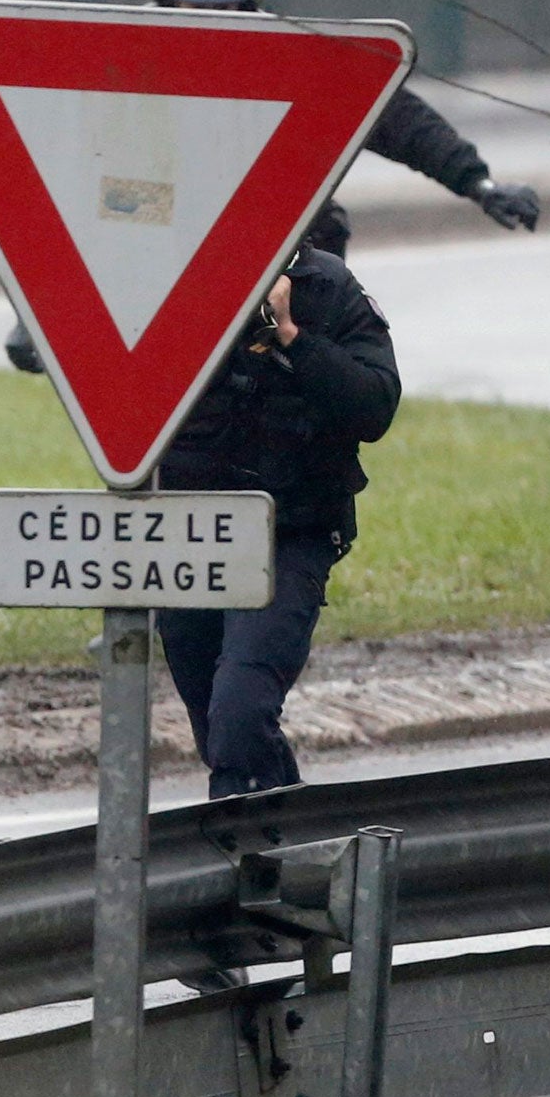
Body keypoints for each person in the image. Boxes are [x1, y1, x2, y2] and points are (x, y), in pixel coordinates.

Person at [4, 0, 538, 372]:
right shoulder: (118, 65)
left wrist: (478, 182)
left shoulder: (298, 63)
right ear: (158, 2)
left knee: (319, 228)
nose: (207, 27)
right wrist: (46, 310)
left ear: (253, 6)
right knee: (119, 202)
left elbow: (397, 118)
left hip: (276, 255)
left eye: (227, 12)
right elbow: (66, 179)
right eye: (186, 10)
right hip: (164, 232)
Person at [157, 249, 401, 797]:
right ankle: (291, 834)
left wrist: (291, 335)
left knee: (241, 713)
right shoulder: (175, 276)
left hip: (289, 534)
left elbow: (374, 406)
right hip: (187, 535)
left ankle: (256, 864)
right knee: (221, 730)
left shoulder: (327, 287)